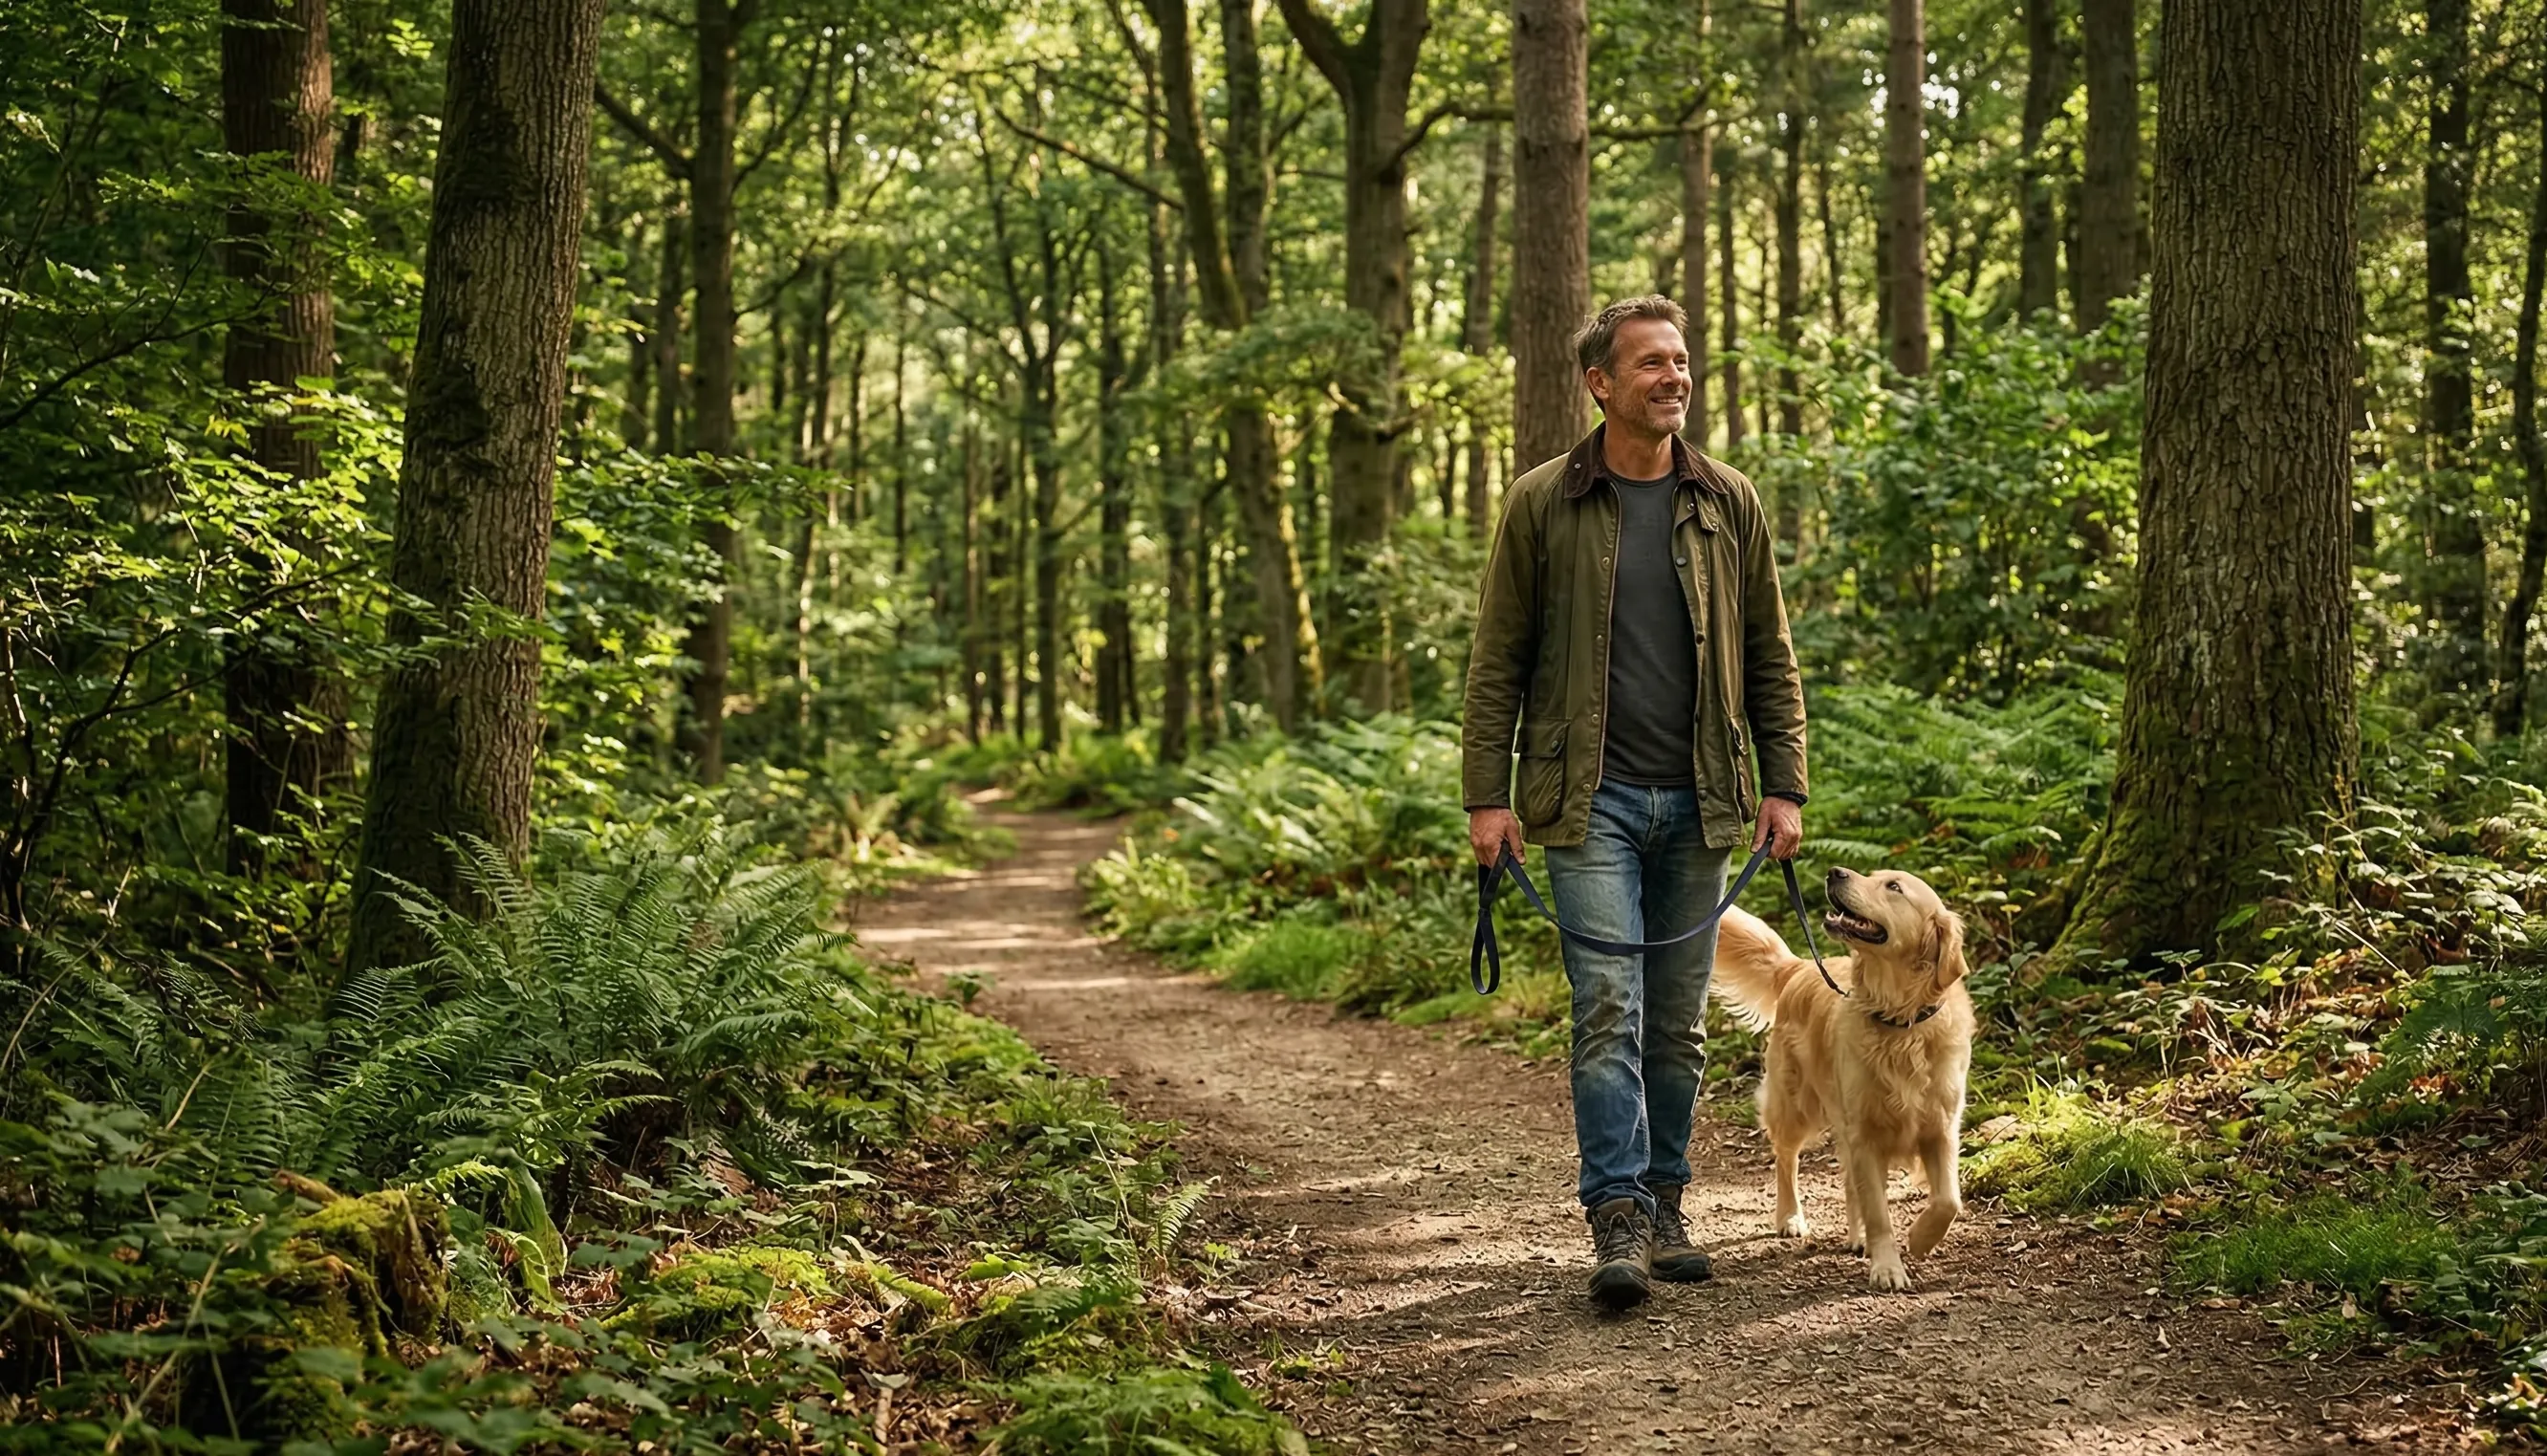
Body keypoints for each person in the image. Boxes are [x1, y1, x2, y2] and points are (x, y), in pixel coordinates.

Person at [1461, 294, 1808, 1312]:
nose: (1674, 376)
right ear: (1600, 383)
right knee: (1608, 1004)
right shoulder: (1543, 502)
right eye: (1651, 362)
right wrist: (1487, 796)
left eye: (1681, 360)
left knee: (1678, 1024)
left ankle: (1666, 1200)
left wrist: (1784, 781)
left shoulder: (1729, 500)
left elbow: (1770, 654)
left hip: (1703, 799)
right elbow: (1498, 659)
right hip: (1587, 803)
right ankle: (1614, 1210)